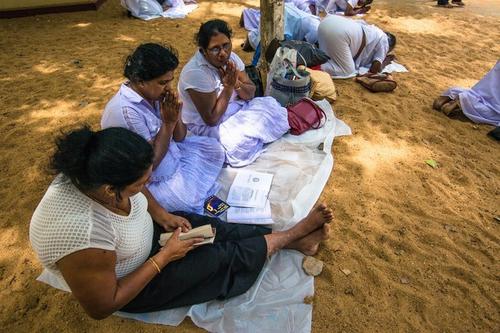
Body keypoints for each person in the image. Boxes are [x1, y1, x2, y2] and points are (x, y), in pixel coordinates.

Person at [29, 126, 333, 318]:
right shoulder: (83, 234)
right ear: (112, 190)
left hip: (148, 237)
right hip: (135, 282)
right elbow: (102, 305)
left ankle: (296, 240)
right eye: (140, 183)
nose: (145, 186)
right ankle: (293, 236)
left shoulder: (96, 169)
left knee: (212, 228)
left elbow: (140, 188)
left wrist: (162, 215)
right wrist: (164, 258)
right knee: (218, 259)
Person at [102, 43, 225, 215]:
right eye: (162, 83)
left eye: (170, 81)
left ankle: (194, 186)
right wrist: (168, 123)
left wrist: (176, 115)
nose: (167, 88)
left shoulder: (155, 95)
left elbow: (180, 137)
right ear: (140, 81)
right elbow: (148, 165)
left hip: (172, 153)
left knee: (214, 149)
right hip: (150, 178)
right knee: (187, 204)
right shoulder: (126, 112)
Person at [178, 20, 291, 167]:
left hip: (236, 109)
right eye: (215, 49)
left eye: (226, 45)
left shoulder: (231, 59)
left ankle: (255, 137)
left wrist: (236, 83)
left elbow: (250, 93)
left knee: (272, 104)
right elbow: (211, 119)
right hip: (207, 125)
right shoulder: (196, 73)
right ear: (203, 51)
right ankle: (255, 137)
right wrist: (229, 87)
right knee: (237, 145)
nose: (223, 53)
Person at [317, 15, 396, 78]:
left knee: (326, 57)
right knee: (347, 70)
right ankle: (311, 67)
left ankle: (310, 57)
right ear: (389, 47)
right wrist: (385, 61)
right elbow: (374, 69)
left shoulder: (373, 30)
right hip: (339, 34)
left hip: (327, 22)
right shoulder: (385, 40)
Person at [433, 61, 500, 126]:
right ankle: (465, 99)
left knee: (477, 93)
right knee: (495, 116)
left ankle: (454, 92)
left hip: (481, 91)